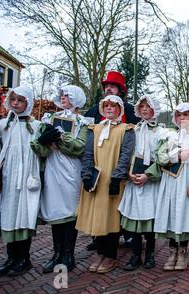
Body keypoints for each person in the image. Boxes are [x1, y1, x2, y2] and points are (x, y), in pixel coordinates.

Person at [30, 85, 94, 274]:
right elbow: (40, 148)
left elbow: (80, 147)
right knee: (55, 212)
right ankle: (56, 254)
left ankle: (69, 255)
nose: (63, 97)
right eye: (62, 95)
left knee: (69, 214)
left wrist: (58, 138)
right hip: (52, 168)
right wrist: (43, 140)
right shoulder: (48, 118)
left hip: (71, 171)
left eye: (67, 95)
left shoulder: (82, 122)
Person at [76, 95, 135, 274]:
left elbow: (126, 155)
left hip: (113, 180)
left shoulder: (127, 130)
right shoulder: (94, 128)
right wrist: (86, 175)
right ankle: (100, 253)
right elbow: (87, 154)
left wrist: (117, 178)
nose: (109, 108)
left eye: (113, 106)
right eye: (106, 105)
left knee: (111, 218)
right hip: (97, 181)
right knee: (98, 217)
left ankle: (110, 255)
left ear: (120, 109)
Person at [0, 86, 42, 277]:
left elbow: (41, 153)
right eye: (13, 100)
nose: (16, 104)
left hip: (27, 177)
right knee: (9, 215)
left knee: (23, 216)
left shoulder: (36, 127)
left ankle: (24, 258)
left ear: (28, 103)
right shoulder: (2, 126)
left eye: (20, 100)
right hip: (9, 177)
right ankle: (11, 257)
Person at [84, 70, 140, 251]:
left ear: (120, 90)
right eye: (106, 86)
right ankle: (98, 236)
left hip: (121, 165)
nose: (108, 88)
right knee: (99, 203)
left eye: (112, 86)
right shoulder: (94, 111)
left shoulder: (131, 111)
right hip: (99, 166)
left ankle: (126, 236)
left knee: (120, 204)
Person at [151, 102, 189, 271]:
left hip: (188, 181)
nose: (182, 118)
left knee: (185, 214)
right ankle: (172, 252)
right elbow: (160, 158)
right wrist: (177, 155)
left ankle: (182, 252)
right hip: (171, 182)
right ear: (174, 117)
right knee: (171, 213)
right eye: (178, 115)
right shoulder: (168, 136)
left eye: (185, 115)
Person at [118, 95, 165, 270]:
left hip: (150, 182)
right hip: (133, 180)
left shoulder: (162, 132)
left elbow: (163, 158)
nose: (144, 109)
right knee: (134, 219)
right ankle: (135, 255)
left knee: (149, 220)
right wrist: (128, 173)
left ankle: (150, 255)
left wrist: (148, 175)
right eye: (142, 106)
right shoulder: (133, 130)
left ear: (154, 109)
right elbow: (126, 153)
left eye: (148, 106)